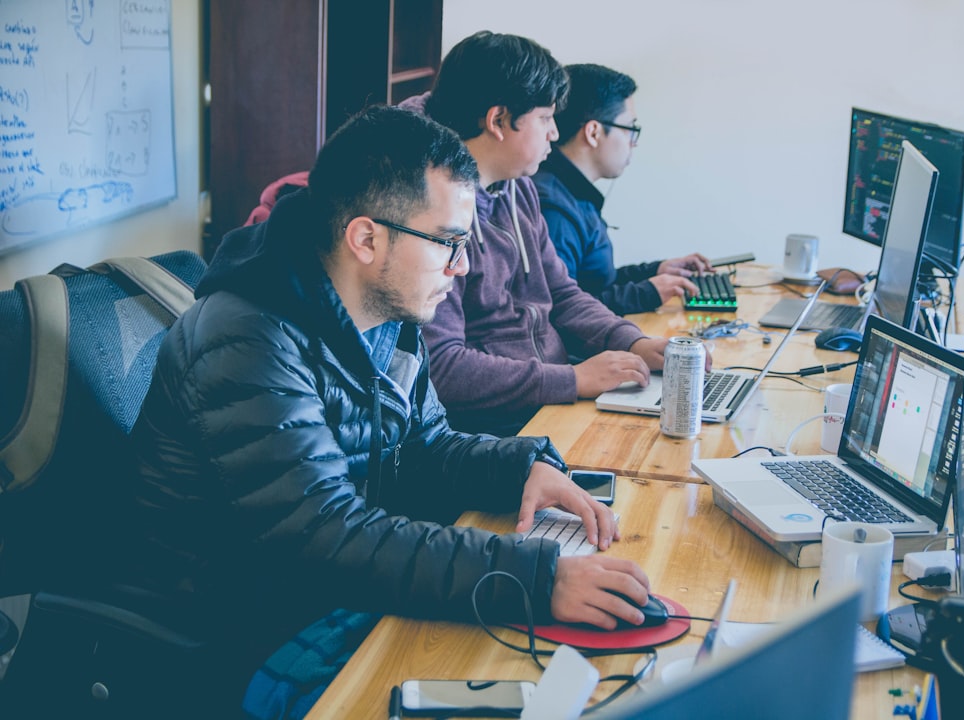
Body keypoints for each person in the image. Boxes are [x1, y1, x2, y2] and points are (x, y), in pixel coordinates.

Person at [128, 105, 651, 718]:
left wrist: (518, 468)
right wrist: (535, 579)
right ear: (366, 238)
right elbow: (324, 534)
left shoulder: (387, 309)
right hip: (241, 626)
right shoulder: (246, 338)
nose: (462, 269)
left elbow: (425, 444)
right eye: (449, 244)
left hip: (332, 589)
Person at [399, 31, 672, 437]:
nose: (554, 133)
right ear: (498, 121)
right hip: (493, 428)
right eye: (545, 118)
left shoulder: (518, 186)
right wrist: (572, 380)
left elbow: (561, 292)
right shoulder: (428, 214)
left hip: (549, 403)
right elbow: (443, 366)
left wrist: (632, 342)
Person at [533, 64, 710, 316]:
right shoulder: (553, 210)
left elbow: (593, 282)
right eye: (631, 129)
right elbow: (562, 311)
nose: (633, 144)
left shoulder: (573, 193)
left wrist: (656, 271)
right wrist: (646, 293)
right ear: (593, 132)